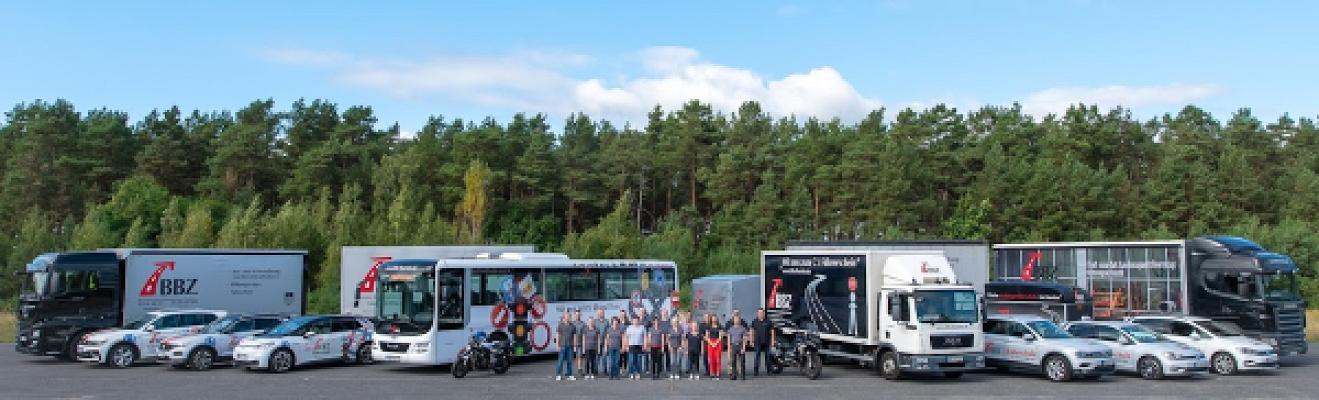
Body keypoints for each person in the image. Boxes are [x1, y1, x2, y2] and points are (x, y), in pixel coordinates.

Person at [750, 308, 776, 376]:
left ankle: (769, 371)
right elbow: (751, 331)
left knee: (768, 357)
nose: (760, 314)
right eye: (759, 313)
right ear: (757, 314)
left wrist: (773, 341)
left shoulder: (768, 321)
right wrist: (751, 341)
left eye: (762, 313)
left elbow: (772, 331)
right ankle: (756, 371)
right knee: (757, 357)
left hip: (767, 342)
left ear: (764, 313)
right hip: (757, 342)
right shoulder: (754, 321)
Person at [726, 313, 749, 380]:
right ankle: (733, 375)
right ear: (733, 320)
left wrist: (744, 348)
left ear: (739, 320)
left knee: (742, 362)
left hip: (740, 345)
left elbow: (745, 339)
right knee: (733, 362)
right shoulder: (730, 329)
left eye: (737, 319)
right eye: (735, 319)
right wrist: (729, 348)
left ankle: (742, 375)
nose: (736, 321)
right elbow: (729, 339)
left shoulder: (743, 329)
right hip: (733, 346)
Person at [554, 313, 577, 381]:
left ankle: (569, 375)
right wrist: (557, 345)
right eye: (567, 317)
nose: (569, 318)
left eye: (569, 317)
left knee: (569, 361)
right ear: (564, 317)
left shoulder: (573, 326)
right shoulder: (560, 325)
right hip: (562, 346)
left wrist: (575, 346)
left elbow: (574, 336)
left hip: (570, 346)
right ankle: (558, 375)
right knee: (560, 361)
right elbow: (557, 335)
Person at [572, 310, 586, 378]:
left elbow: (584, 334)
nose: (577, 316)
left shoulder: (583, 324)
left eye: (579, 315)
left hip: (580, 343)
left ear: (580, 316)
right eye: (576, 315)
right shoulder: (572, 324)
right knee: (575, 357)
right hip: (572, 343)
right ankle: (572, 371)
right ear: (574, 316)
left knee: (580, 356)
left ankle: (580, 369)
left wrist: (584, 344)